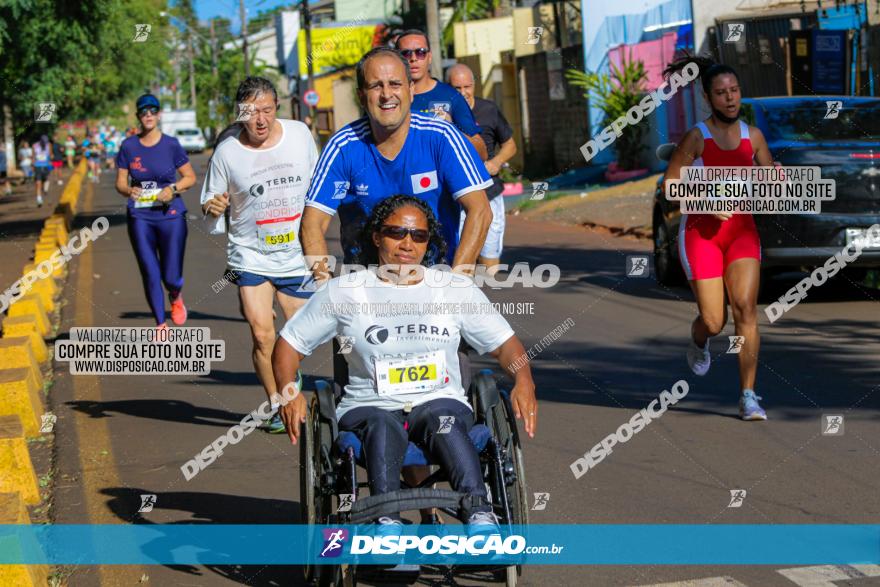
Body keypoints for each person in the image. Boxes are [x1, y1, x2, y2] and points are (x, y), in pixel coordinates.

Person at [273, 195, 537, 527]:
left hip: (439, 401)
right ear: (376, 236)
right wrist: (288, 390)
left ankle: (480, 513)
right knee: (383, 424)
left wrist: (524, 380)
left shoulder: (453, 289)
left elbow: (506, 347)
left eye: (419, 236)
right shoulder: (344, 291)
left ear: (429, 241)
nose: (407, 244)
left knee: (445, 419)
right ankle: (387, 522)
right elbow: (288, 345)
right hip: (371, 406)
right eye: (396, 233)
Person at [301, 46, 493, 278]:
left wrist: (457, 281)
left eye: (395, 84)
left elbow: (480, 210)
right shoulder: (343, 146)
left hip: (435, 281)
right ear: (361, 96)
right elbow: (313, 223)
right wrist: (325, 287)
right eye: (375, 86)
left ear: (411, 90)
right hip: (368, 288)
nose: (386, 94)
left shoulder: (442, 137)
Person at [201, 76, 319, 434]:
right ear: (240, 114)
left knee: (300, 335)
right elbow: (209, 205)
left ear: (276, 109)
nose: (260, 120)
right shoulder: (226, 153)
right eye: (251, 113)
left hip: (295, 254)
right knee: (262, 333)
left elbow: (319, 187)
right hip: (249, 255)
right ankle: (276, 402)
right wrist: (214, 206)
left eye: (267, 110)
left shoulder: (300, 135)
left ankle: (287, 371)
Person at [662, 54, 772, 421]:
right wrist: (706, 200)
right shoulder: (697, 137)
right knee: (714, 321)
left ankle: (748, 395)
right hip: (701, 234)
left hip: (741, 232)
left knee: (745, 309)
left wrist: (776, 177)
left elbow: (767, 179)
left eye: (735, 90)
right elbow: (671, 186)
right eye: (721, 93)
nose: (730, 98)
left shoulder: (753, 136)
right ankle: (699, 340)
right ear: (708, 99)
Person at [115, 94, 197, 332]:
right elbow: (120, 183)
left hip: (171, 216)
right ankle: (160, 324)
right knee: (150, 271)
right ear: (138, 116)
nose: (148, 115)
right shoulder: (128, 146)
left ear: (159, 114)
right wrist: (129, 190)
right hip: (140, 217)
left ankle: (175, 294)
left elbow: (190, 177)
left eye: (153, 111)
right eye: (143, 112)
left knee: (171, 275)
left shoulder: (171, 144)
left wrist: (172, 189)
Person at [448, 63, 517, 274]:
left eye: (467, 87)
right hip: (457, 197)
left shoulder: (488, 109)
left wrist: (496, 162)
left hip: (489, 193)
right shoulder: (441, 114)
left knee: (489, 265)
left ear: (474, 86)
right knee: (462, 262)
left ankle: (486, 300)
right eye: (456, 88)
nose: (463, 93)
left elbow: (510, 145)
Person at [394, 30, 487, 161]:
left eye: (420, 52)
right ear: (397, 59)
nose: (413, 58)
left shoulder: (451, 96)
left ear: (429, 57)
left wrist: (449, 129)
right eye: (405, 53)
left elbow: (482, 153)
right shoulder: (390, 98)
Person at [32, 135, 52, 207]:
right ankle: (39, 199)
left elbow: (50, 155)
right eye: (44, 142)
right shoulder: (35, 145)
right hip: (38, 166)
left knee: (45, 182)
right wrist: (33, 166)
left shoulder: (49, 145)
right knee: (38, 183)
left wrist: (50, 163)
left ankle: (45, 191)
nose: (45, 143)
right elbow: (33, 156)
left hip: (46, 166)